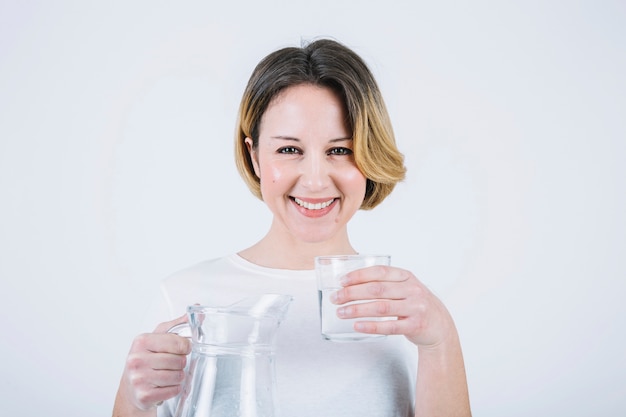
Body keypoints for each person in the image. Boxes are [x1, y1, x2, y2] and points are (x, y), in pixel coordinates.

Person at [113, 38, 471, 417]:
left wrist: (441, 340)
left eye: (340, 150)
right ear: (254, 156)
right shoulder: (184, 300)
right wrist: (134, 401)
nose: (315, 181)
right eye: (288, 150)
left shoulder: (408, 313)